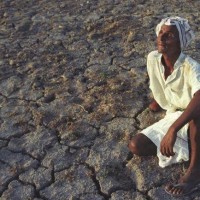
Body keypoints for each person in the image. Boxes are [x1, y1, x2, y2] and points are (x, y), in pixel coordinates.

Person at [128, 16, 200, 197]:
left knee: (197, 113)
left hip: (193, 116)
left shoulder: (191, 67)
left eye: (169, 36)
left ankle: (194, 171)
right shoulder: (153, 59)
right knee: (136, 146)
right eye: (161, 33)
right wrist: (158, 101)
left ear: (180, 41)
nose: (161, 38)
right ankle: (192, 148)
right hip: (174, 114)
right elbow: (159, 84)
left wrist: (173, 130)